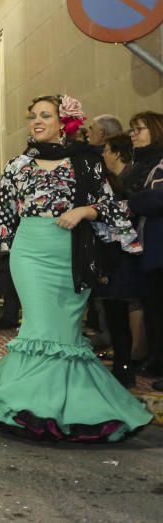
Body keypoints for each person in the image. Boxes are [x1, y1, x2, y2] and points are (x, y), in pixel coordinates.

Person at [0, 94, 152, 441]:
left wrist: (83, 211)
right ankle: (34, 407)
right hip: (30, 253)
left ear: (63, 122)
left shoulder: (86, 162)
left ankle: (66, 405)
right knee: (40, 327)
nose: (36, 121)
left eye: (45, 115)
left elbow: (110, 206)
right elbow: (5, 217)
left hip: (71, 256)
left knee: (65, 335)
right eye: (32, 116)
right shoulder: (18, 165)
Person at [94, 134, 142, 387]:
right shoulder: (110, 184)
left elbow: (116, 228)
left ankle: (125, 366)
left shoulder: (112, 187)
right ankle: (122, 365)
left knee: (119, 312)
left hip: (117, 257)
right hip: (114, 258)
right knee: (115, 313)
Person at [125, 111, 163, 390]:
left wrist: (132, 202)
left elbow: (157, 199)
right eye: (131, 130)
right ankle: (156, 357)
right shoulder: (140, 164)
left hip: (159, 245)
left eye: (139, 129)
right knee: (152, 306)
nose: (133, 134)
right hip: (149, 246)